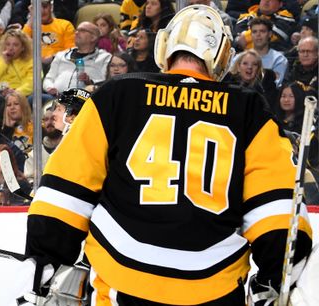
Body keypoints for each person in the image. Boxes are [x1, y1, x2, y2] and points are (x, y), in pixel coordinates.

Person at [24, 5, 312, 305]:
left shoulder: (116, 95)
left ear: (165, 45)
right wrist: (273, 278)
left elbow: (65, 192)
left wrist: (47, 265)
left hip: (124, 281)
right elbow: (277, 213)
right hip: (215, 288)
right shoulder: (249, 109)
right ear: (224, 55)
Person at [43, 22, 111, 96]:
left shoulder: (104, 58)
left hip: (86, 100)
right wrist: (50, 88)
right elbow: (49, 78)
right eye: (76, 30)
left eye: (82, 30)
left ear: (93, 38)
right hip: (56, 98)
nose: (76, 33)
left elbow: (105, 83)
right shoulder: (61, 55)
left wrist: (90, 82)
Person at [232, 16, 288, 86]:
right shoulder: (238, 58)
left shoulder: (279, 60)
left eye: (262, 31)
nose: (258, 35)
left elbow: (276, 85)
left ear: (270, 34)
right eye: (254, 32)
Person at [22, 0, 75, 67]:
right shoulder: (30, 27)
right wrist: (32, 18)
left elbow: (70, 52)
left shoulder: (65, 25)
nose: (42, 11)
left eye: (44, 6)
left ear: (51, 7)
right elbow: (21, 46)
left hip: (59, 64)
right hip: (33, 67)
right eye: (37, 8)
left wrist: (52, 58)